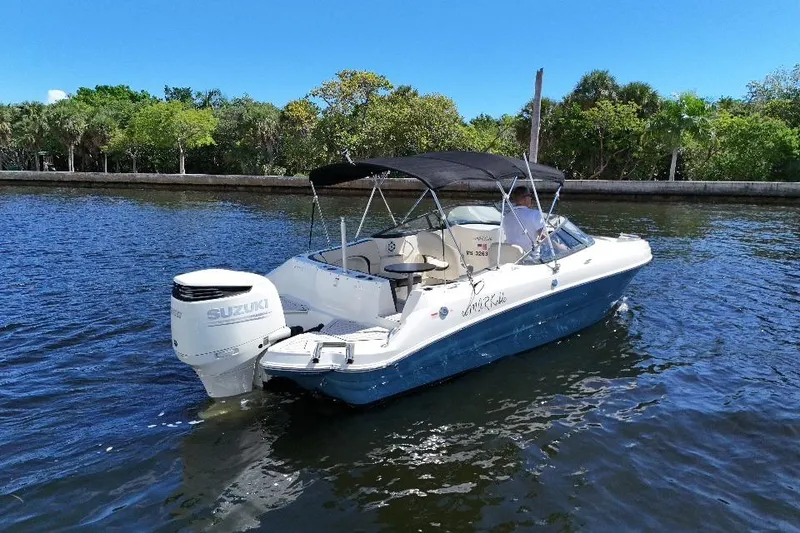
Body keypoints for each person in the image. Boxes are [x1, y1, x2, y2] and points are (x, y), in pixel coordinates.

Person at [501, 185, 545, 252]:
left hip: (511, 257)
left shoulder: (506, 217)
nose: (531, 198)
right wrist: (560, 247)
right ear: (525, 198)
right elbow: (544, 237)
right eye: (530, 196)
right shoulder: (535, 214)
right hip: (530, 258)